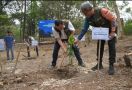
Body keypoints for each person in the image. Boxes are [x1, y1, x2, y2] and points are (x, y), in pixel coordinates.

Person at [74, 2, 117, 75]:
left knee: (111, 45)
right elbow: (84, 29)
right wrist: (78, 39)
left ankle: (111, 65)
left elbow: (113, 19)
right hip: (101, 31)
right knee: (100, 46)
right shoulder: (87, 18)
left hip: (111, 29)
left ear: (89, 9)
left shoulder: (102, 11)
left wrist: (112, 32)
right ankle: (99, 64)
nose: (85, 14)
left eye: (86, 13)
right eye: (84, 13)